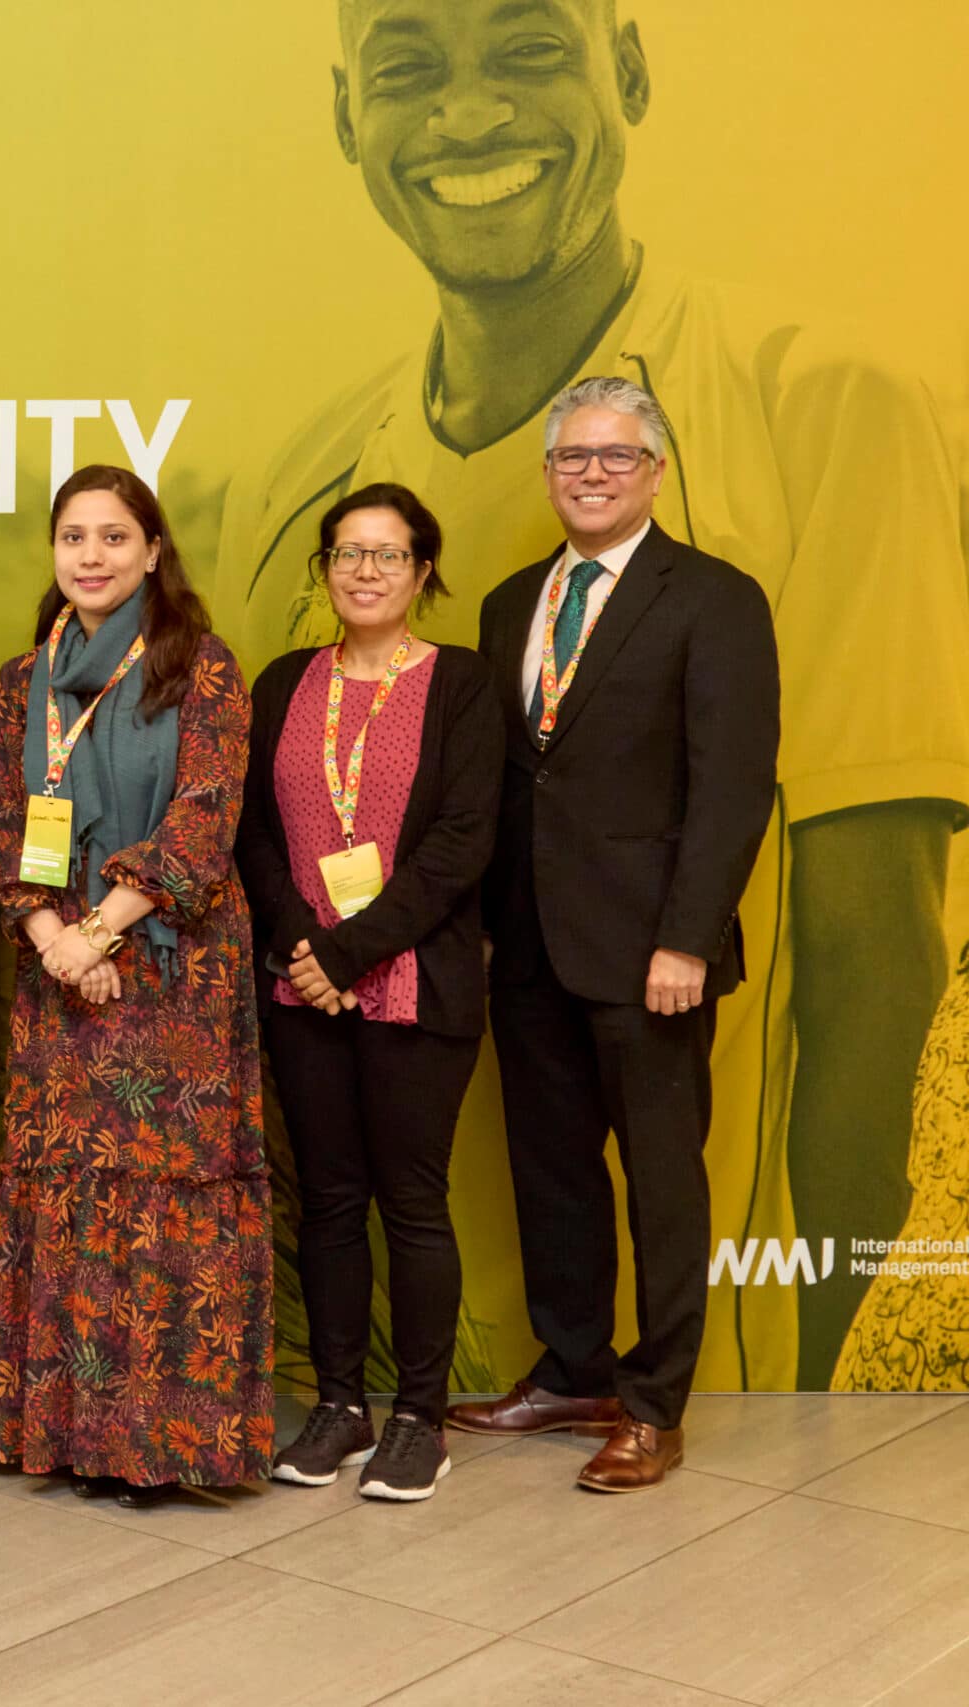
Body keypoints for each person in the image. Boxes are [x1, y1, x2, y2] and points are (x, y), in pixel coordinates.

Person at [218, 0, 969, 1393]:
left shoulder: (826, 408)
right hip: (445, 1168)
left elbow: (876, 955)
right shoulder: (305, 489)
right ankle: (551, 1370)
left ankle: (660, 1382)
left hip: (674, 1074)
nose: (465, 114)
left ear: (626, 69)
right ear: (344, 118)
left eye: (524, 49)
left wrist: (801, 1394)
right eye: (407, 71)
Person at [447, 378, 779, 1491]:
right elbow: (503, 782)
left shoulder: (715, 599)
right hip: (529, 945)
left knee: (661, 1180)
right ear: (546, 473)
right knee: (550, 1173)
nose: (590, 473)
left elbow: (730, 787)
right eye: (570, 457)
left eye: (615, 456)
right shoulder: (507, 604)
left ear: (656, 471)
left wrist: (686, 939)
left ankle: (653, 1402)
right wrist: (487, 928)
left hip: (651, 955)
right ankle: (572, 1368)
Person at [0, 465, 271, 1506]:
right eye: (73, 537)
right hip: (59, 973)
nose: (91, 556)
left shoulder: (201, 667)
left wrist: (101, 929)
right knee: (70, 1201)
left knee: (159, 1206)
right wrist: (54, 937)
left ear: (153, 551)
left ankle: (165, 1446)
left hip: (171, 979)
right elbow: (11, 822)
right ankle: (67, 1437)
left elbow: (202, 821)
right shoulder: (23, 679)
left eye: (114, 537)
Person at [236, 483, 502, 1502]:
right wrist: (306, 948)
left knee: (412, 1203)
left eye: (387, 555)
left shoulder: (461, 686)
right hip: (303, 989)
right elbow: (258, 835)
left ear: (422, 572)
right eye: (347, 553)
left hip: (415, 988)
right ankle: (339, 1405)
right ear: (324, 567)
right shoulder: (284, 683)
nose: (364, 572)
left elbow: (461, 843)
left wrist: (351, 953)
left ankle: (417, 1420)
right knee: (333, 1203)